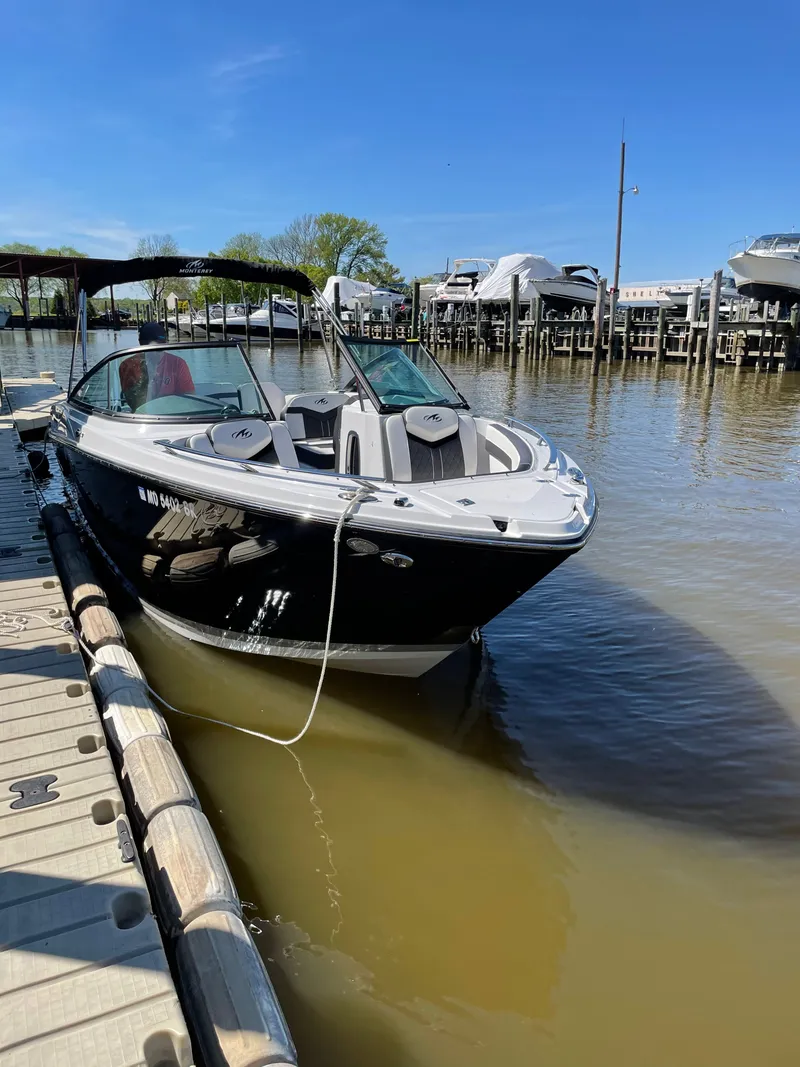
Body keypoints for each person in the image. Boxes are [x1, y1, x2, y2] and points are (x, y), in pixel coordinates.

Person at [119, 322, 195, 410]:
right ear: (140, 344)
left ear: (166, 344)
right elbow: (135, 405)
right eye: (149, 349)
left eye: (160, 347)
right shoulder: (128, 366)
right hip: (141, 418)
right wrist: (148, 377)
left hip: (172, 415)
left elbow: (190, 400)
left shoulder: (178, 364)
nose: (155, 353)